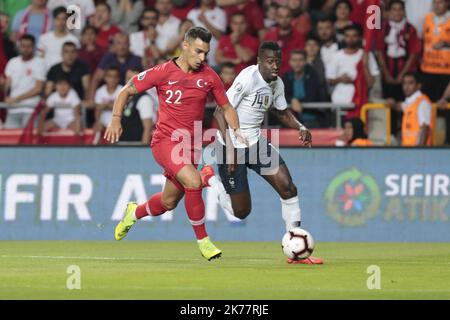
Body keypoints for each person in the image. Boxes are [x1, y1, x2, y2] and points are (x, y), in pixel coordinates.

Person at [105, 27, 247, 261]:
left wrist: (237, 130)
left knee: (168, 202)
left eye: (206, 53)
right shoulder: (162, 72)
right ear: (185, 45)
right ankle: (204, 242)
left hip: (190, 147)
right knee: (193, 180)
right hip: (164, 141)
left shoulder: (209, 76)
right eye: (199, 52)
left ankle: (134, 212)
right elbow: (127, 90)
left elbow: (227, 107)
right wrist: (115, 118)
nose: (202, 58)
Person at [211, 41, 322, 265]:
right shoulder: (247, 78)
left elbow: (281, 112)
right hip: (230, 147)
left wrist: (300, 126)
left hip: (256, 144)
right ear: (259, 61)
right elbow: (220, 112)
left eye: (278, 62)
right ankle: (210, 181)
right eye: (270, 61)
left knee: (288, 187)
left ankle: (294, 244)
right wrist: (231, 150)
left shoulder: (277, 83)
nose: (275, 66)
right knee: (241, 211)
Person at [326, 25, 380, 118]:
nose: (350, 39)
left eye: (354, 36)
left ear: (359, 38)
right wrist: (340, 79)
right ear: (344, 37)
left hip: (361, 103)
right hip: (339, 103)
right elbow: (329, 80)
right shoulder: (336, 56)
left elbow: (371, 83)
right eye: (347, 36)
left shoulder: (366, 55)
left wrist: (365, 65)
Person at [3, 34, 46, 128]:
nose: (25, 49)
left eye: (29, 46)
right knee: (11, 141)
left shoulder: (39, 63)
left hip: (30, 108)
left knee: (29, 141)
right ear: (19, 46)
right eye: (23, 46)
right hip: (13, 108)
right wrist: (6, 96)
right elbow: (8, 84)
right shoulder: (12, 62)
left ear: (34, 47)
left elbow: (38, 88)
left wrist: (16, 98)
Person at [283, 50, 328, 128]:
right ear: (290, 62)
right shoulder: (286, 77)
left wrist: (296, 101)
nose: (297, 63)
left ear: (305, 61)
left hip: (313, 119)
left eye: (300, 60)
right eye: (294, 60)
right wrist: (292, 100)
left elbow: (312, 97)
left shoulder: (313, 75)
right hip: (292, 119)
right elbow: (281, 95)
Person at [388, 72, 434, 147]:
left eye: (410, 83)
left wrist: (419, 151)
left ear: (418, 86)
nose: (406, 87)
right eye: (404, 83)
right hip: (408, 150)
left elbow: (425, 128)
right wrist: (392, 104)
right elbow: (401, 106)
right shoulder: (410, 102)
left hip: (416, 151)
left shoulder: (422, 103)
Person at [119, 68, 156, 145]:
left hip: (136, 145)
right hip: (123, 145)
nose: (130, 83)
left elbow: (147, 128)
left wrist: (142, 151)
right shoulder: (125, 98)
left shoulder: (144, 99)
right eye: (128, 79)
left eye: (133, 80)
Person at [264, 6, 305, 75]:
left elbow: (301, 60)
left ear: (292, 18)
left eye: (287, 16)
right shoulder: (269, 36)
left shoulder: (299, 36)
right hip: (273, 76)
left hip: (293, 76)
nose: (284, 20)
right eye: (281, 17)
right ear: (276, 18)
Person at [37, 6, 80, 71]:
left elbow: (76, 61)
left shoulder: (74, 40)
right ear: (53, 20)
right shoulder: (43, 38)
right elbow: (40, 59)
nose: (61, 22)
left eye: (63, 19)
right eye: (58, 19)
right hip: (47, 75)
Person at [187, 0, 227, 68]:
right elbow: (188, 37)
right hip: (195, 60)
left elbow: (220, 36)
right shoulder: (192, 13)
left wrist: (205, 21)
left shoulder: (220, 13)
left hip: (214, 60)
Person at [93, 66, 123, 144]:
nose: (112, 79)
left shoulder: (122, 90)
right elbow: (98, 109)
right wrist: (97, 121)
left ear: (118, 78)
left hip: (118, 121)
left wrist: (105, 106)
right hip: (102, 122)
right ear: (105, 78)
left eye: (115, 77)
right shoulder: (100, 91)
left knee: (114, 129)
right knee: (97, 127)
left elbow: (123, 108)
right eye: (110, 76)